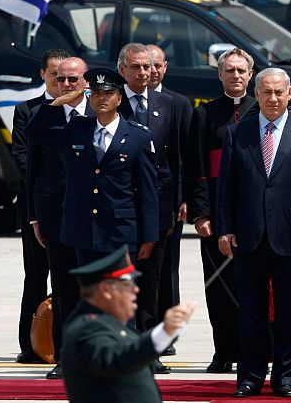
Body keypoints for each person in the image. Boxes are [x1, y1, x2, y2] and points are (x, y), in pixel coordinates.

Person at [216, 67, 291, 398]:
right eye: (267, 92)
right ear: (257, 93)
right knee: (250, 311)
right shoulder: (239, 133)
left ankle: (287, 376)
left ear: (289, 92)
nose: (274, 98)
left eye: (280, 92)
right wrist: (225, 229)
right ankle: (249, 377)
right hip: (249, 235)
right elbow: (227, 188)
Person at [24, 67, 159, 265]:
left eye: (108, 93)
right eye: (96, 93)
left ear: (119, 99)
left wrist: (149, 236)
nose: (101, 98)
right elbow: (34, 132)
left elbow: (148, 191)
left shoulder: (138, 137)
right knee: (89, 294)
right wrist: (57, 103)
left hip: (120, 231)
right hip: (83, 230)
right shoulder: (77, 129)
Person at [190, 48, 256, 373]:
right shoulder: (206, 113)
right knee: (218, 286)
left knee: (254, 285)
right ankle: (223, 351)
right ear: (220, 75)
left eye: (241, 70)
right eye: (229, 70)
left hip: (255, 211)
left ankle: (255, 351)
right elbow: (197, 166)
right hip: (217, 212)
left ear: (250, 74)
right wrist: (201, 214)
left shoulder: (261, 109)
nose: (235, 75)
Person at [61, 245, 196, 403]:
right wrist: (163, 333)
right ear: (106, 290)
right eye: (128, 284)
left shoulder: (111, 325)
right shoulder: (87, 330)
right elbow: (118, 358)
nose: (135, 290)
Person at [116, 43, 179, 374]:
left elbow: (174, 160)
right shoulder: (110, 102)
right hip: (122, 207)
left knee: (152, 281)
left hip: (157, 208)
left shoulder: (165, 103)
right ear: (122, 70)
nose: (143, 73)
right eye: (136, 67)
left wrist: (177, 204)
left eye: (147, 67)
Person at [25, 56, 89, 379]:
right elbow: (32, 172)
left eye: (73, 80)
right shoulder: (44, 117)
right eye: (61, 79)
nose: (66, 85)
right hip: (57, 218)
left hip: (95, 218)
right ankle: (65, 357)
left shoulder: (101, 112)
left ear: (85, 81)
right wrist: (34, 218)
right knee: (63, 289)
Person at [12, 49, 68, 365]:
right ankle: (30, 342)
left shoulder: (83, 111)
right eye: (55, 75)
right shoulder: (28, 110)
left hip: (72, 208)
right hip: (37, 206)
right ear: (43, 76)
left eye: (67, 76)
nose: (61, 81)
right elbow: (22, 158)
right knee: (35, 274)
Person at [147, 44, 192, 357]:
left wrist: (185, 198)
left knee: (167, 270)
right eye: (147, 65)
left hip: (169, 202)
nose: (153, 70)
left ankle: (167, 333)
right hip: (135, 202)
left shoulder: (178, 103)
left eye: (158, 64)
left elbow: (184, 157)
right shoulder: (123, 100)